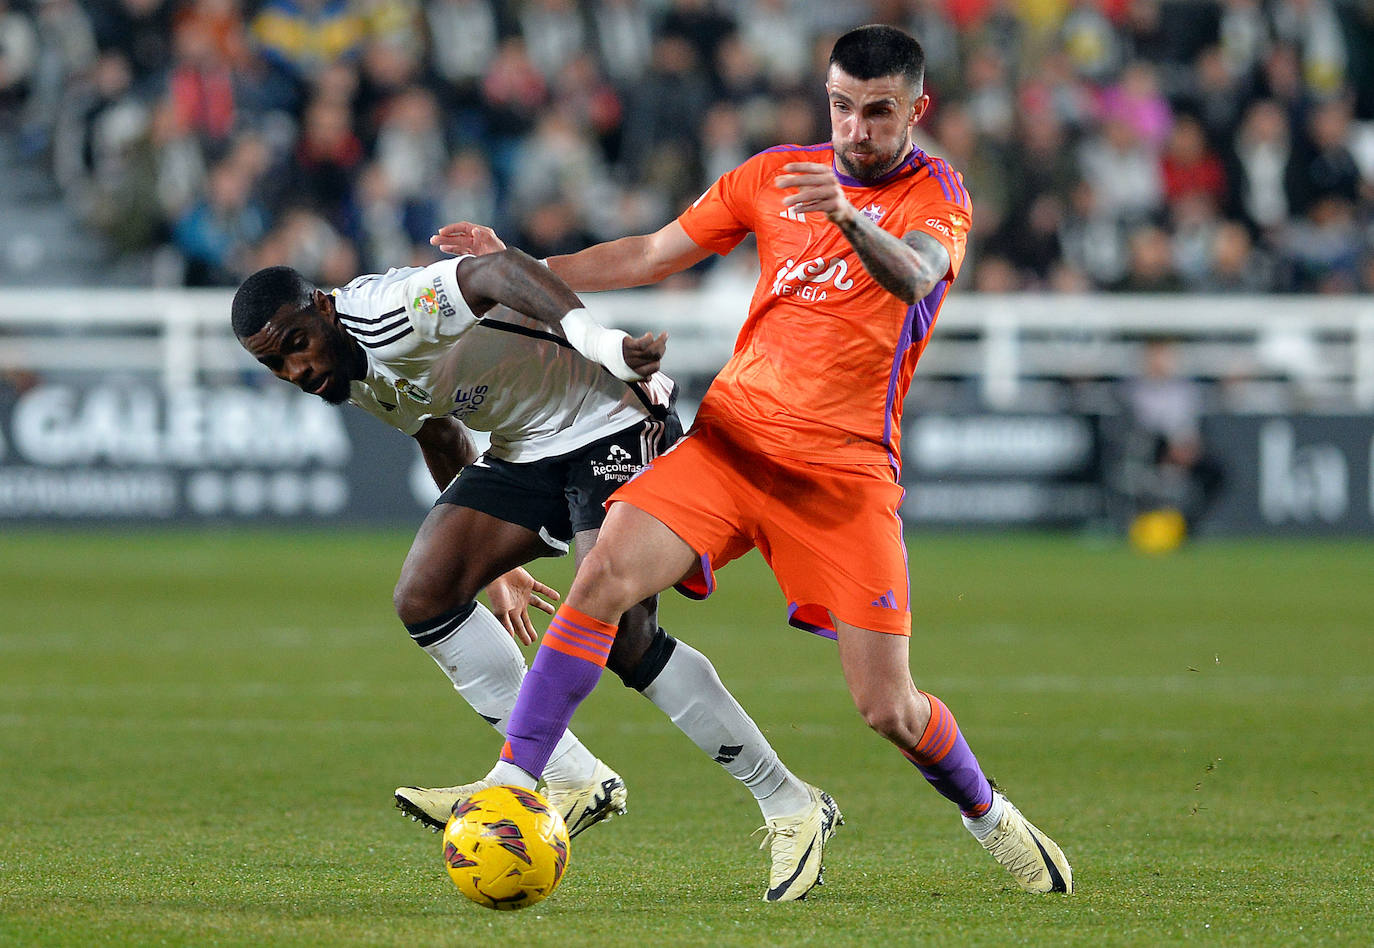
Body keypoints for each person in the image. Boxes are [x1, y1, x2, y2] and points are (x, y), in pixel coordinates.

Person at [434, 24, 1072, 900]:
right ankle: (516, 778)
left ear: (918, 109)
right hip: (731, 444)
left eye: (878, 113)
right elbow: (654, 252)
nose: (855, 130)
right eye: (842, 107)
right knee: (606, 574)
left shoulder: (940, 198)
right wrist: (515, 268)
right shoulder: (773, 175)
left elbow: (916, 278)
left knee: (888, 707)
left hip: (843, 477)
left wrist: (848, 216)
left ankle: (988, 814)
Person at [229, 251, 830, 881]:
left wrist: (598, 342)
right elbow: (439, 435)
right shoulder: (346, 374)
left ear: (324, 308)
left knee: (625, 634)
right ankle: (570, 775)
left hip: (612, 417)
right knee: (426, 594)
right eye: (275, 363)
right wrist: (497, 568)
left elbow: (494, 271)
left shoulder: (390, 312)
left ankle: (789, 802)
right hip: (525, 448)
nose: (295, 368)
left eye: (298, 344)